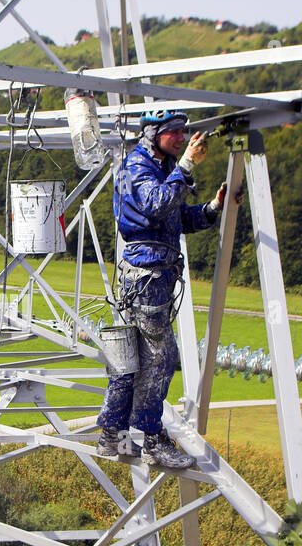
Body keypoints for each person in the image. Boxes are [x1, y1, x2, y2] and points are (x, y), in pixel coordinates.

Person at [95, 109, 238, 470]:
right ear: (152, 133)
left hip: (150, 273)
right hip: (147, 276)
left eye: (183, 131)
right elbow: (157, 205)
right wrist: (187, 164)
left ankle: (111, 433)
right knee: (160, 358)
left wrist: (212, 208)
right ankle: (151, 438)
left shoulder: (159, 168)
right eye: (173, 132)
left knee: (131, 358)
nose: (181, 136)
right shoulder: (137, 167)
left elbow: (175, 218)